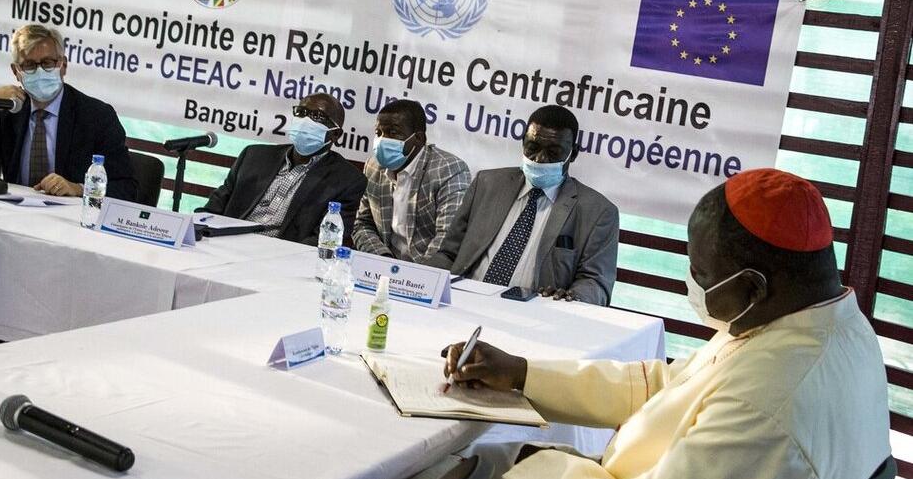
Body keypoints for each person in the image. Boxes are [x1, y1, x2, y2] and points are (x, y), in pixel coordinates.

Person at [441, 168, 891, 479]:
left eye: (701, 273)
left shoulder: (770, 404)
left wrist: (542, 462)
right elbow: (666, 387)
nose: (691, 284)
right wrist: (521, 373)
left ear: (753, 287)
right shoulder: (816, 322)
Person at [424, 105, 618, 305]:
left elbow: (596, 283)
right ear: (523, 142)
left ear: (573, 154)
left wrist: (572, 298)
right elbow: (449, 253)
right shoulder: (486, 183)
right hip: (464, 300)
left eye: (553, 152)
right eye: (532, 148)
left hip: (533, 312)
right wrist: (420, 280)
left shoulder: (598, 212)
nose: (540, 159)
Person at [0, 24, 138, 202]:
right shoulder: (7, 111)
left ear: (63, 65)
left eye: (47, 63)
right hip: (13, 210)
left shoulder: (97, 116)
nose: (40, 71)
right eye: (29, 65)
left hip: (70, 216)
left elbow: (126, 187)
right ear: (16, 71)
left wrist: (79, 188)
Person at [197, 93, 366, 244]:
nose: (305, 120)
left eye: (317, 116)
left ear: (336, 134)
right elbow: (212, 209)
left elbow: (324, 240)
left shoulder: (347, 181)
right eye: (301, 112)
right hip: (225, 245)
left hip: (280, 257)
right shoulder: (254, 156)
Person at [352, 99, 470, 262]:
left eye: (393, 132)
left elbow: (447, 239)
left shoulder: (448, 170)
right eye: (379, 133)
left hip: (427, 268)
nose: (383, 140)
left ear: (419, 138)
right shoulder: (373, 166)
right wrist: (383, 260)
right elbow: (362, 224)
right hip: (384, 265)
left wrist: (413, 274)